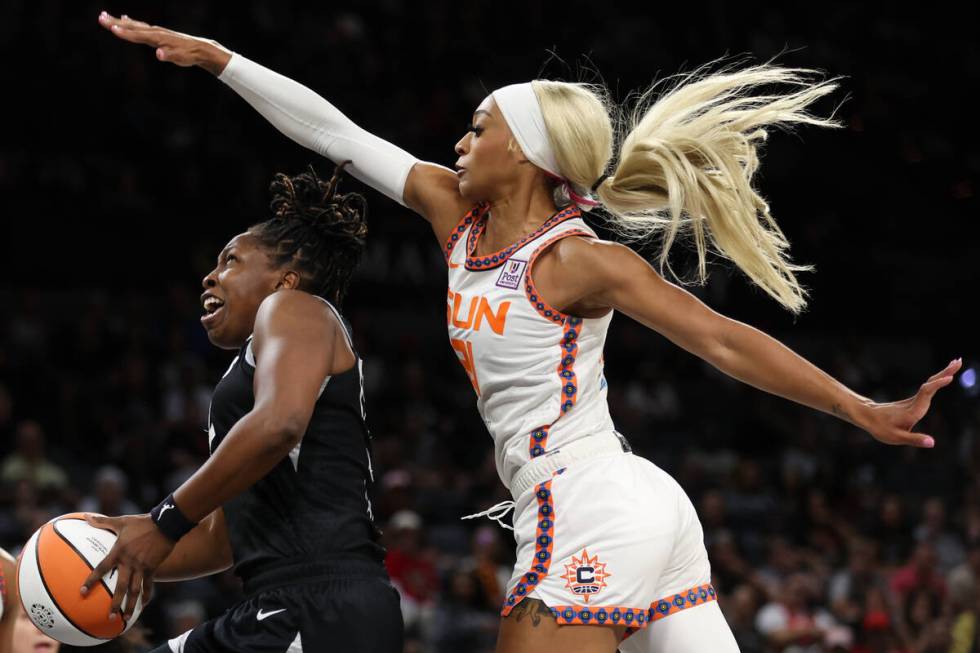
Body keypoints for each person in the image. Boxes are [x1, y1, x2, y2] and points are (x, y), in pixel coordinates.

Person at [97, 11, 961, 653]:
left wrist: (860, 409)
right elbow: (341, 136)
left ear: (530, 154)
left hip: (583, 499)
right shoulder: (455, 218)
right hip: (640, 504)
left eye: (481, 127)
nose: (462, 140)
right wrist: (223, 62)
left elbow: (723, 339)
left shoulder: (577, 261)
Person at [78, 164, 403, 652]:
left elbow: (279, 424)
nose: (210, 275)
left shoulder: (295, 307)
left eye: (231, 260)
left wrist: (161, 521)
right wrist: (117, 558)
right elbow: (222, 539)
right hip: (289, 603)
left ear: (284, 279)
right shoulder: (251, 366)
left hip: (317, 600)